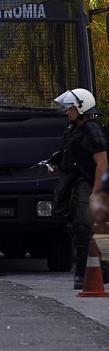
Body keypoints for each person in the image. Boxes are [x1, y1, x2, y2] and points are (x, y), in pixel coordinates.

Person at [48, 88, 107, 289]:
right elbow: (71, 155)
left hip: (85, 185)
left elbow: (102, 162)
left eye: (70, 108)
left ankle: (85, 275)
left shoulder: (92, 130)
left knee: (84, 229)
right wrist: (55, 164)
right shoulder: (74, 130)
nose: (67, 112)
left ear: (81, 107)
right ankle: (95, 273)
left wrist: (97, 192)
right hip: (74, 185)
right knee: (76, 228)